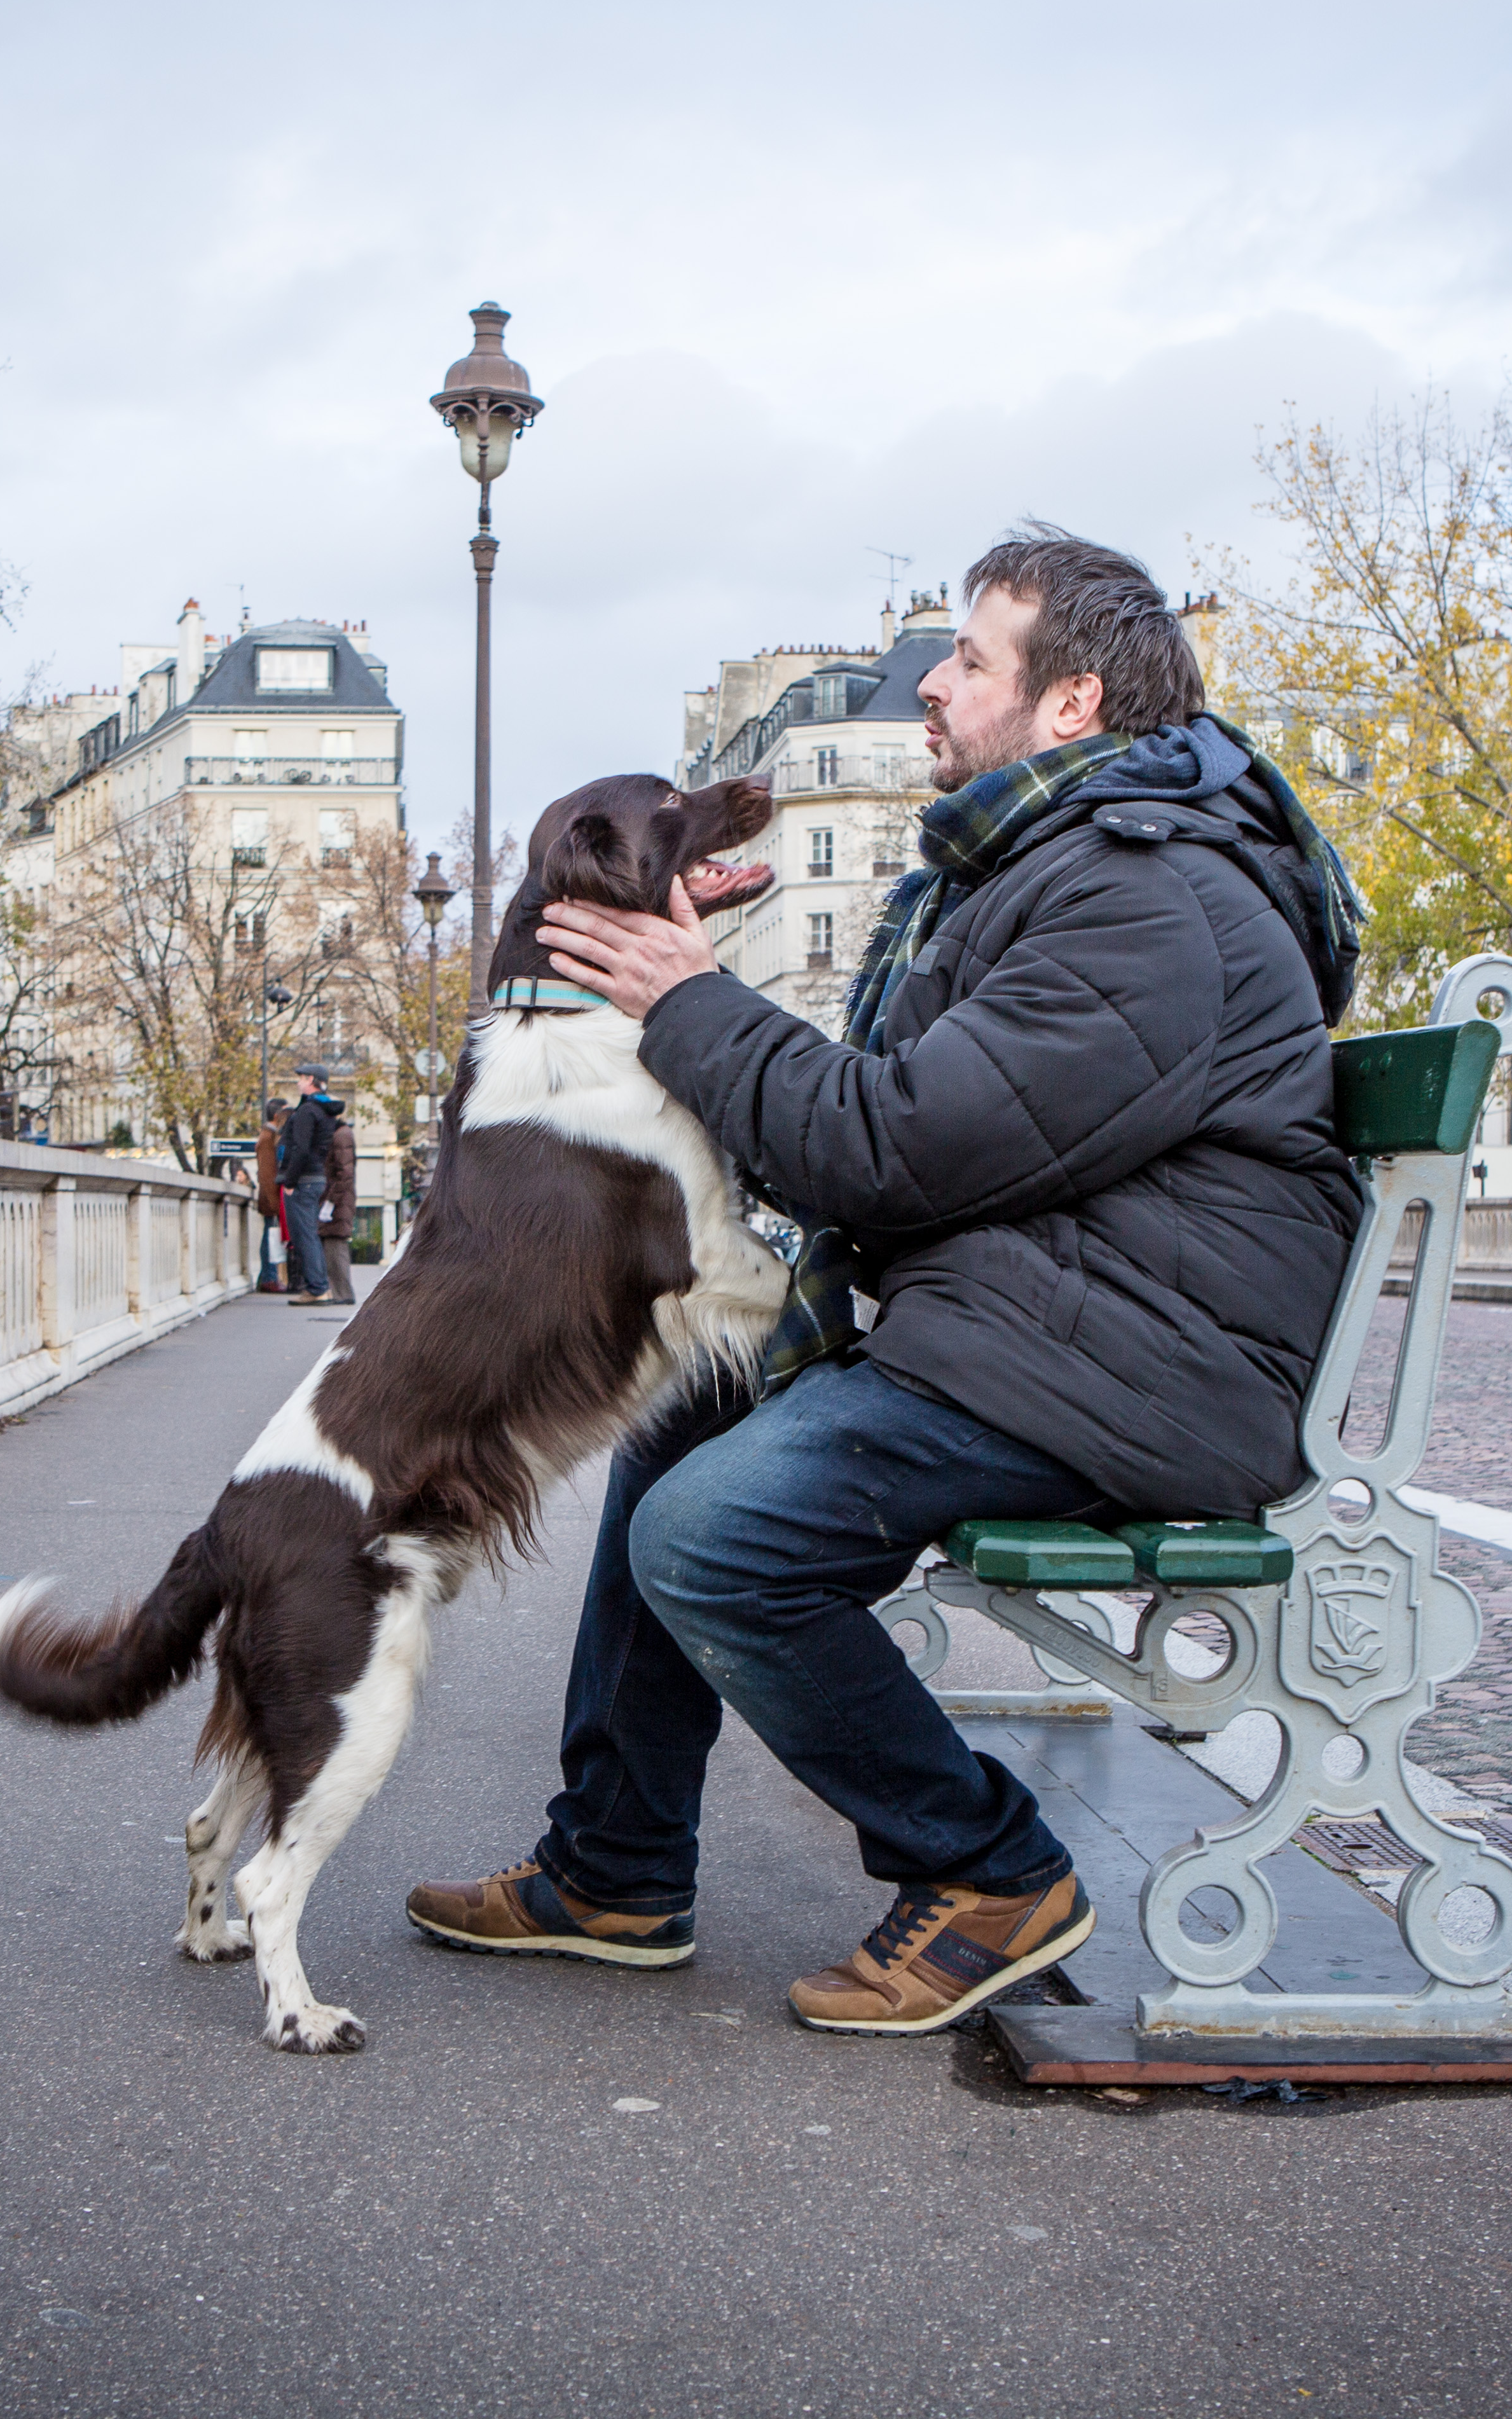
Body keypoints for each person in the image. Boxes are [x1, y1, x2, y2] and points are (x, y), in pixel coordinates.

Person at [403, 526, 1364, 2035]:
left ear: (1073, 707)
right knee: (685, 1417)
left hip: (1132, 1370)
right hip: (1052, 1322)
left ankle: (990, 1869)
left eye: (968, 661)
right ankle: (618, 1866)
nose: (933, 687)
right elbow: (880, 1141)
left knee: (717, 1536)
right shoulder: (1053, 869)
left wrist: (693, 1001)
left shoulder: (1142, 894)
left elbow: (884, 1148)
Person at [275, 1066, 338, 1304]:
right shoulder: (324, 1111)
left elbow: (300, 1148)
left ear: (311, 1080)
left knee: (303, 1235)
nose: (299, 1083)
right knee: (309, 1234)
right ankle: (320, 1287)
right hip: (315, 1177)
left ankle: (317, 1289)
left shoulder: (307, 1111)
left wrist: (290, 1181)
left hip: (303, 1180)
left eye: (302, 1079)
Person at [319, 1102, 359, 1306]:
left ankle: (343, 1294)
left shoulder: (341, 1135)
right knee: (332, 1246)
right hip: (338, 1199)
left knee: (336, 1246)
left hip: (338, 1200)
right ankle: (339, 1293)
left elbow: (344, 1173)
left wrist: (330, 1202)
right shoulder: (341, 1134)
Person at [250, 1096, 288, 1293]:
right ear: (277, 1115)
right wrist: (274, 1201)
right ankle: (269, 1278)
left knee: (271, 1236)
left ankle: (268, 1277)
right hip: (271, 1196)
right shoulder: (268, 1138)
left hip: (271, 1195)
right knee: (271, 1236)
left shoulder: (270, 1136)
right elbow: (266, 1172)